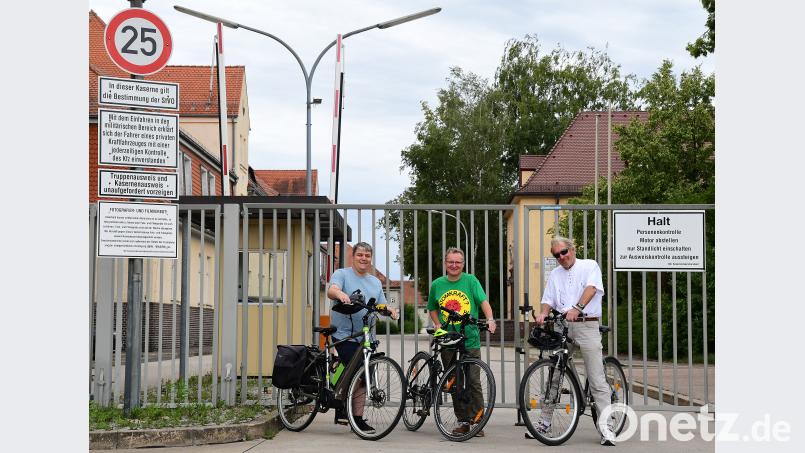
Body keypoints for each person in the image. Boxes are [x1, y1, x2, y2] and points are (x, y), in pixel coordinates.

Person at [531, 236, 616, 446]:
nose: (561, 257)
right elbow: (548, 299)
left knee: (596, 378)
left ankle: (607, 427)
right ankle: (544, 423)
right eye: (556, 255)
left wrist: (577, 308)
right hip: (563, 326)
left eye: (564, 252)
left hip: (587, 324)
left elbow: (591, 288)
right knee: (555, 374)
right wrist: (543, 313)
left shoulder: (589, 266)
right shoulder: (555, 274)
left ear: (572, 249)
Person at [327, 242, 398, 434]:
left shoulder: (374, 282)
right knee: (356, 370)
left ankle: (356, 418)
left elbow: (381, 305)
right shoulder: (342, 274)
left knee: (364, 378)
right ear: (354, 256)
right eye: (360, 255)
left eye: (367, 255)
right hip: (344, 335)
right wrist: (340, 293)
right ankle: (346, 409)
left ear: (370, 258)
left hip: (367, 337)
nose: (363, 258)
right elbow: (331, 290)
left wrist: (390, 310)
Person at [427, 247, 496, 438]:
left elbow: (483, 302)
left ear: (463, 264)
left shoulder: (470, 280)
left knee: (473, 380)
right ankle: (463, 421)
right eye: (451, 262)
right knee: (454, 381)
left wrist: (490, 319)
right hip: (448, 338)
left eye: (458, 262)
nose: (454, 265)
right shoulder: (437, 284)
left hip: (469, 337)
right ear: (445, 263)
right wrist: (438, 323)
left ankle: (478, 421)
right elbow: (432, 307)